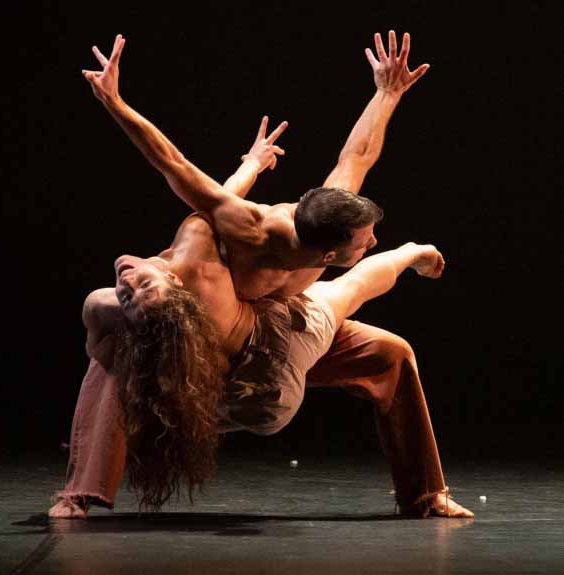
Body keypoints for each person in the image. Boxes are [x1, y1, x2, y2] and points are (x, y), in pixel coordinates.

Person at [51, 32, 472, 518]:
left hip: (279, 333)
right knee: (118, 345)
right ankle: (81, 492)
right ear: (329, 254)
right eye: (364, 244)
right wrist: (114, 101)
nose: (371, 243)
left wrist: (387, 94)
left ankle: (425, 494)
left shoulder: (331, 213)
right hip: (210, 337)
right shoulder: (248, 229)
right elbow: (172, 162)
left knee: (391, 355)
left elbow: (356, 156)